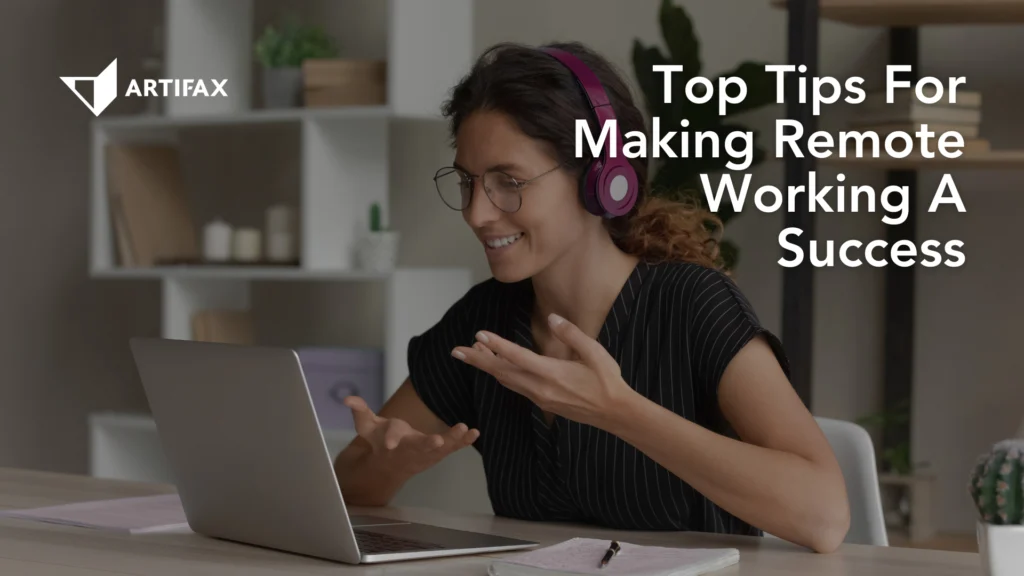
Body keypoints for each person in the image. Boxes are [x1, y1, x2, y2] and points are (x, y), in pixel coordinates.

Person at [334, 41, 850, 553]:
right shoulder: (484, 321)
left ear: (603, 178)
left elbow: (824, 516)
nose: (476, 214)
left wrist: (618, 410)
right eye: (468, 183)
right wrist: (390, 464)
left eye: (507, 182)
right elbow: (347, 490)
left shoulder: (693, 305)